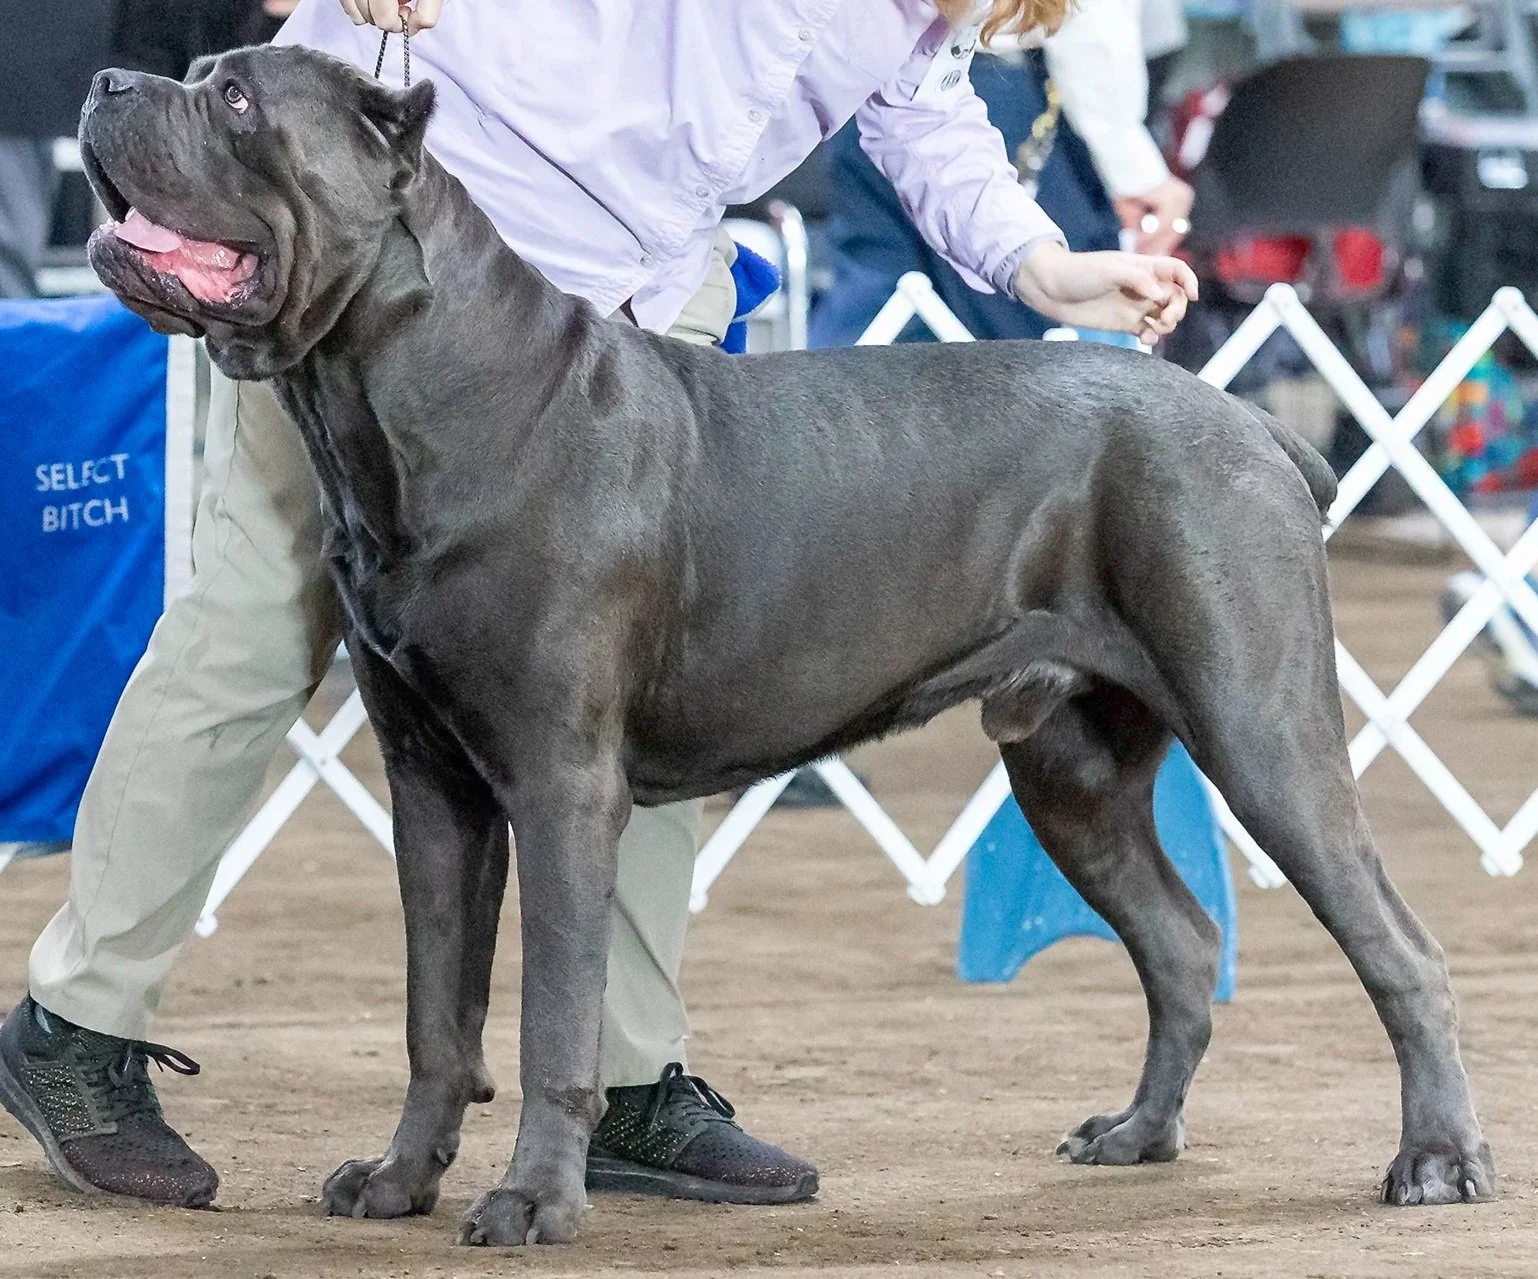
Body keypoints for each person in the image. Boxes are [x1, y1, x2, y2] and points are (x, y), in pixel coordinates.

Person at [0, 0, 1196, 1212]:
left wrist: (1045, 267)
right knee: (254, 629)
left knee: (655, 672)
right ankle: (77, 1024)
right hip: (384, 236)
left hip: (628, 289)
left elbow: (921, 112)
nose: (961, 11)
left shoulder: (923, 15)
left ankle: (622, 1083)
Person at [811, 0, 1193, 346]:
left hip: (908, 87)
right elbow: (1090, 26)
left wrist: (1048, 276)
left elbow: (920, 115)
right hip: (992, 85)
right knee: (1014, 356)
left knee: (872, 305)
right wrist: (1130, 164)